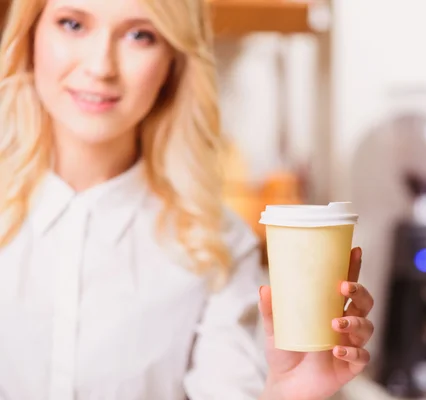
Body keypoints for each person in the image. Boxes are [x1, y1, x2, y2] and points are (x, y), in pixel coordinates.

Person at [0, 0, 375, 399]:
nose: (100, 67)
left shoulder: (217, 246)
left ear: (173, 61)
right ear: (30, 33)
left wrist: (290, 392)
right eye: (72, 24)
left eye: (139, 35)